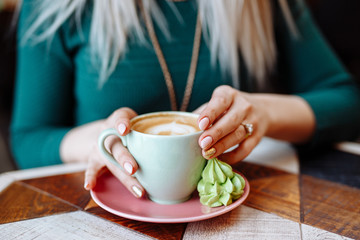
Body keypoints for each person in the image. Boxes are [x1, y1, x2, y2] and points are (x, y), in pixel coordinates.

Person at [11, 0, 360, 198]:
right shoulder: (54, 8)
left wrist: (264, 111)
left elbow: (348, 102)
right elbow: (27, 139)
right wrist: (99, 139)